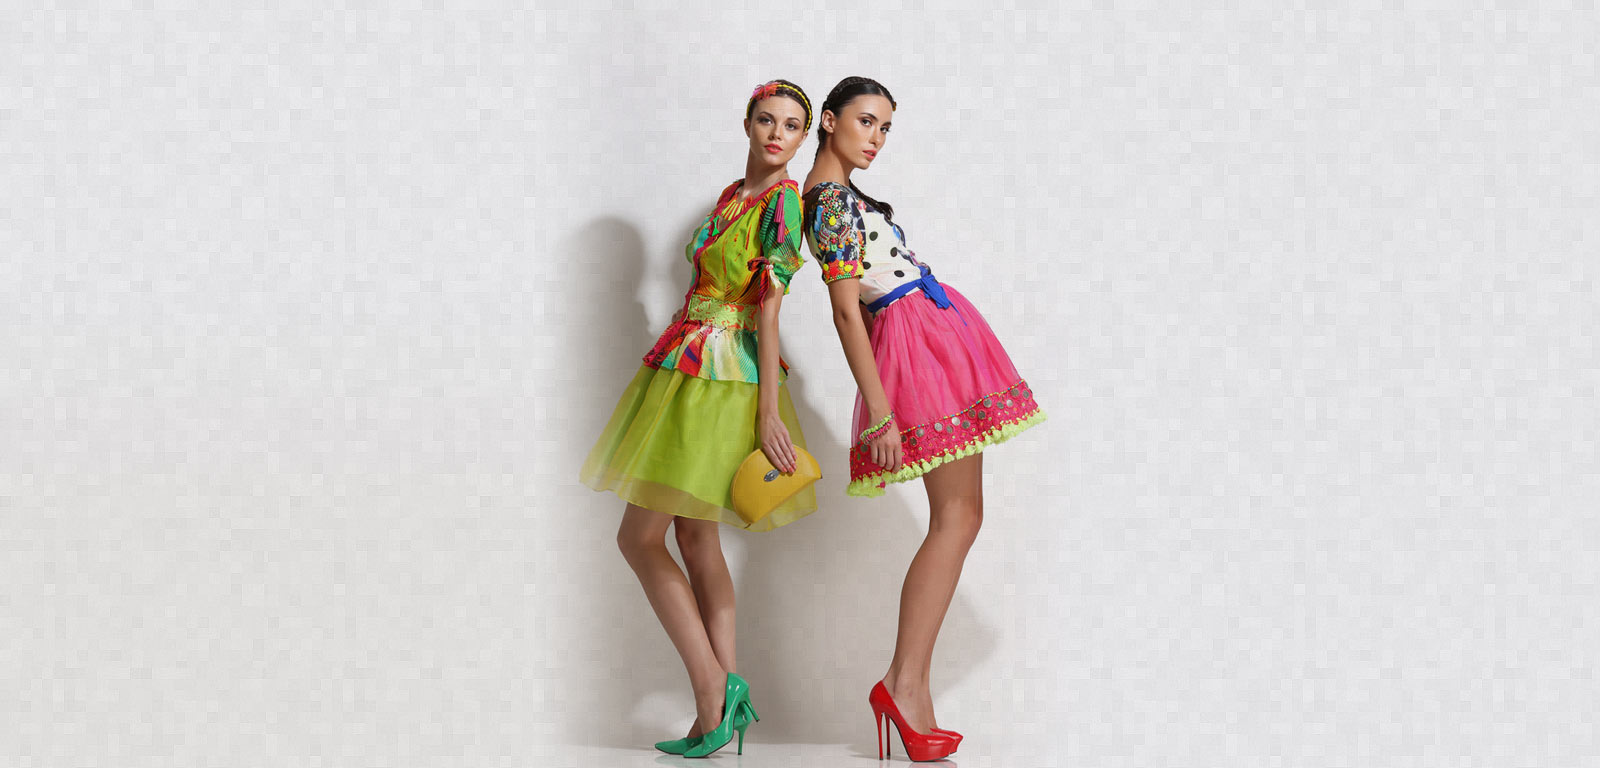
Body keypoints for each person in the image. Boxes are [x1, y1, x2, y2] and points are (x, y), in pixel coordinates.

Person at [802, 76, 1045, 762]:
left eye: (885, 128)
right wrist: (879, 411)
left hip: (934, 334)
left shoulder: (844, 197)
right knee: (958, 516)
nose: (876, 139)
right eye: (865, 122)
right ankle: (904, 686)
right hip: (914, 348)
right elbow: (845, 310)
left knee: (962, 515)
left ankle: (909, 689)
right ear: (829, 120)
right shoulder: (827, 201)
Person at [579, 79, 814, 758]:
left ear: (804, 137)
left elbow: (768, 307)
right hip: (684, 363)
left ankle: (713, 690)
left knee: (640, 538)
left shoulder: (783, 202)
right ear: (747, 124)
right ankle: (720, 704)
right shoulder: (731, 196)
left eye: (791, 125)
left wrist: (768, 412)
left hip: (724, 375)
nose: (777, 134)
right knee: (694, 538)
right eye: (767, 120)